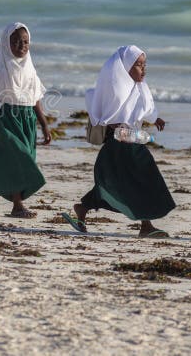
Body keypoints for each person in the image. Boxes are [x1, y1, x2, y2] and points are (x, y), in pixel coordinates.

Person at [61, 45, 175, 237]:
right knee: (131, 183)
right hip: (119, 147)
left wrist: (155, 118)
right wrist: (118, 127)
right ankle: (145, 226)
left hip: (133, 143)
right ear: (125, 68)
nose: (143, 69)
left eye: (144, 64)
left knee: (131, 182)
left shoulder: (139, 88)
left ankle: (83, 207)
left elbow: (143, 109)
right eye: (138, 65)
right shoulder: (116, 89)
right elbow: (108, 115)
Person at [0, 23, 51, 218]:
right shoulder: (0, 69)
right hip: (8, 120)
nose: (21, 45)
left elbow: (36, 99)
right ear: (6, 44)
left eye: (25, 42)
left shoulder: (30, 69)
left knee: (22, 159)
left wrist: (45, 126)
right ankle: (17, 205)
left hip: (28, 122)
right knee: (19, 160)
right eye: (15, 42)